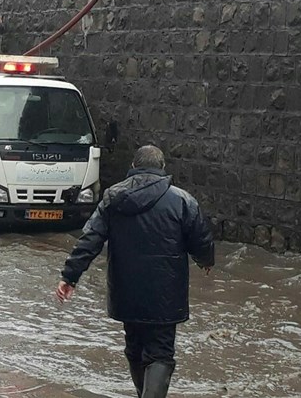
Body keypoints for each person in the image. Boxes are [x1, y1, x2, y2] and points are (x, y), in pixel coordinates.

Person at [55, 145, 214, 398]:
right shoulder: (183, 201)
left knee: (134, 349)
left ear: (133, 166)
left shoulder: (113, 198)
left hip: (126, 292)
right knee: (160, 354)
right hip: (165, 295)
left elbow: (90, 239)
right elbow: (201, 239)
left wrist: (69, 276)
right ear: (162, 168)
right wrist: (205, 260)